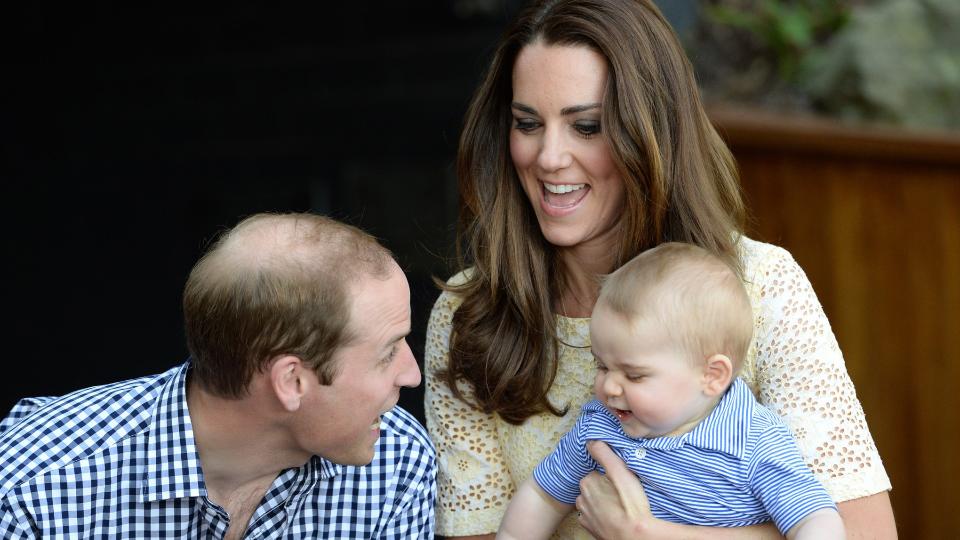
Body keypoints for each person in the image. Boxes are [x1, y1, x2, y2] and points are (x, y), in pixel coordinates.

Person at [423, 0, 895, 538]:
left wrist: (646, 535)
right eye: (528, 123)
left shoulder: (761, 286)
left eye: (587, 126)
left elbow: (863, 531)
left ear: (651, 133)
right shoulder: (471, 315)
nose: (549, 156)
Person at [0, 213, 437, 538]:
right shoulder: (35, 494)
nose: (412, 374)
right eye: (387, 353)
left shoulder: (397, 464)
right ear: (291, 381)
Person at [497, 243, 844, 540]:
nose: (609, 387)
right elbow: (543, 497)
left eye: (634, 375)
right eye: (601, 365)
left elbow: (814, 519)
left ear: (712, 376)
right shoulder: (600, 425)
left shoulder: (753, 441)